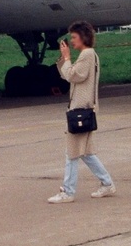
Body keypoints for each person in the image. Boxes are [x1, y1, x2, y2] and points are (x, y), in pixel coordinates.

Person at [47, 20, 116, 204]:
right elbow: (68, 74)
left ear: (84, 37)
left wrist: (67, 58)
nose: (72, 41)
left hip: (80, 109)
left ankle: (68, 191)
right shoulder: (87, 55)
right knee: (85, 153)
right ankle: (107, 183)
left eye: (74, 37)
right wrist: (64, 59)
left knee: (72, 153)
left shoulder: (87, 54)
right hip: (82, 108)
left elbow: (72, 75)